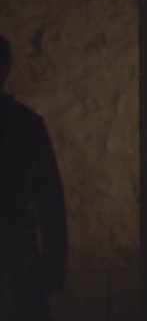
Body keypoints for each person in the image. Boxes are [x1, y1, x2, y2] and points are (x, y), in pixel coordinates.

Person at [0, 35, 68, 321]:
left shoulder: (27, 127)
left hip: (20, 264)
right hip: (20, 261)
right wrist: (54, 268)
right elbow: (50, 201)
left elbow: (50, 200)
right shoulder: (26, 126)